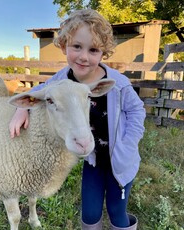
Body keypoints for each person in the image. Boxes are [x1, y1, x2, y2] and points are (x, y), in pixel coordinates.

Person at [9, 9, 146, 230]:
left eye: (93, 50)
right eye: (77, 47)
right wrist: (21, 111)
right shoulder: (63, 78)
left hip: (121, 160)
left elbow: (137, 111)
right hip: (92, 157)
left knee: (116, 210)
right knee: (90, 213)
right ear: (64, 46)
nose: (83, 56)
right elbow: (43, 89)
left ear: (103, 53)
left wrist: (129, 144)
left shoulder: (118, 83)